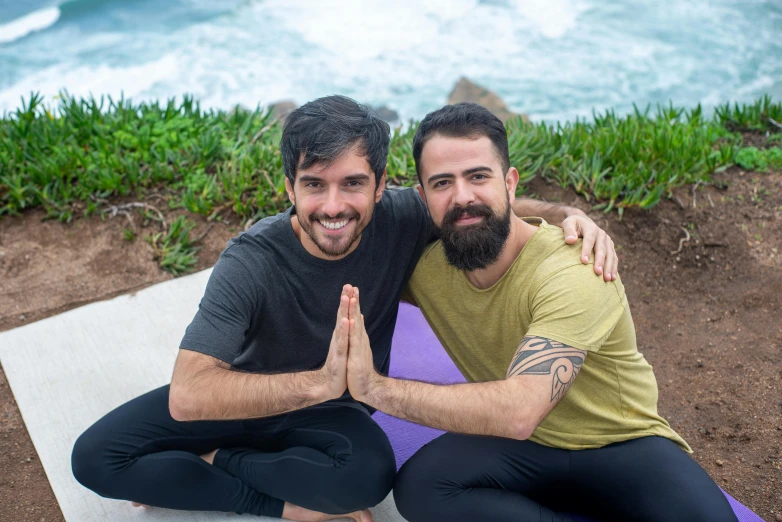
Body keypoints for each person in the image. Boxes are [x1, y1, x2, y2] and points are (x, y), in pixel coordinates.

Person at [70, 95, 617, 522]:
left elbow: (481, 201)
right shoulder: (251, 260)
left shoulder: (404, 217)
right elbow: (190, 393)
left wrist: (567, 213)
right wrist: (319, 383)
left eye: (353, 183)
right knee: (94, 459)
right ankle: (282, 504)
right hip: (244, 396)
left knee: (369, 477)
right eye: (314, 185)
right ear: (290, 187)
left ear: (382, 185)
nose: (333, 206)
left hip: (333, 418)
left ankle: (212, 465)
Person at [340, 103, 737, 522]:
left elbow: (518, 412)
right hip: (522, 451)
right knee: (421, 489)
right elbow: (323, 231)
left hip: (621, 443)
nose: (462, 196)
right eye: (442, 183)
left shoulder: (575, 268)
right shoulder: (424, 267)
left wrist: (373, 388)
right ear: (423, 198)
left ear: (509, 182)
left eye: (478, 176)